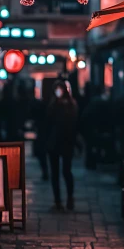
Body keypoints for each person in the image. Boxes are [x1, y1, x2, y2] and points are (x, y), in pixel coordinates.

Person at [45, 80, 78, 211]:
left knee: (66, 171)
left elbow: (73, 124)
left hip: (66, 142)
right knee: (55, 173)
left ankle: (69, 198)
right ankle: (57, 200)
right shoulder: (52, 104)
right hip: (54, 143)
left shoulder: (71, 105)